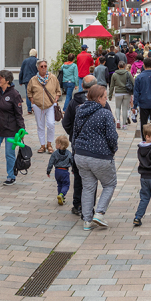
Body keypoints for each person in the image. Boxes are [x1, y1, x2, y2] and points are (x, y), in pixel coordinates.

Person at [73, 85, 119, 230]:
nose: (106, 100)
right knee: (109, 184)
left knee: (87, 187)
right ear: (99, 98)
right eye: (105, 97)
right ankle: (99, 213)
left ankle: (87, 221)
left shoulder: (79, 111)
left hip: (80, 154)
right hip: (100, 155)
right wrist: (113, 151)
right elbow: (112, 137)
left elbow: (74, 133)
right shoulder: (105, 114)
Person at [62, 75, 109, 216]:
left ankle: (77, 205)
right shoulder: (102, 103)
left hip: (78, 147)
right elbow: (109, 124)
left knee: (78, 176)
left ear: (83, 86)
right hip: (97, 149)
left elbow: (66, 123)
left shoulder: (73, 102)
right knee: (91, 179)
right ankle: (88, 207)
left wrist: (74, 135)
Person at [0, 70, 25, 186]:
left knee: (9, 154)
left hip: (10, 129)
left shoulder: (15, 94)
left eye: (0, 78)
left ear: (7, 80)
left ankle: (11, 176)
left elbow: (19, 114)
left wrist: (22, 129)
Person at [27, 60, 62, 154]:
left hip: (50, 105)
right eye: (41, 66)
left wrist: (56, 99)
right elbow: (29, 92)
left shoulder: (52, 78)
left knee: (51, 124)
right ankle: (42, 145)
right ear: (38, 68)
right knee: (40, 126)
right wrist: (33, 102)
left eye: (45, 66)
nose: (43, 68)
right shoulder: (33, 79)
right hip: (38, 106)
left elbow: (58, 90)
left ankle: (49, 144)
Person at [46, 135, 72, 205]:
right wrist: (73, 170)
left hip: (57, 171)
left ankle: (59, 196)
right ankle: (61, 194)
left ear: (59, 145)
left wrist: (48, 171)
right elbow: (72, 161)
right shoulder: (69, 153)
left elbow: (51, 162)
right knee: (66, 184)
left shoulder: (55, 153)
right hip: (65, 171)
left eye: (56, 144)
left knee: (59, 184)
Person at [108, 61, 133, 130]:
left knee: (117, 107)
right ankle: (124, 124)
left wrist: (110, 95)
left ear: (118, 66)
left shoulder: (114, 74)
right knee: (125, 108)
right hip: (127, 93)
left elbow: (112, 86)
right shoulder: (128, 73)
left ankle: (118, 120)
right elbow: (133, 83)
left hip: (118, 93)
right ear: (124, 66)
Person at [19, 49, 39, 114]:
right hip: (35, 79)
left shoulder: (25, 61)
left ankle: (29, 109)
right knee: (35, 93)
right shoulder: (37, 61)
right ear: (36, 54)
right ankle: (35, 107)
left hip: (27, 80)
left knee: (28, 94)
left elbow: (21, 71)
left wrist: (20, 81)